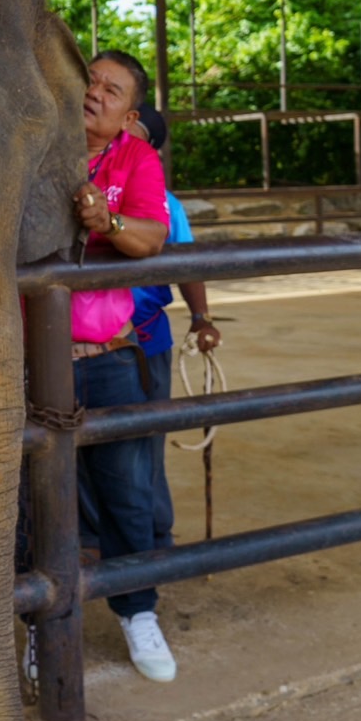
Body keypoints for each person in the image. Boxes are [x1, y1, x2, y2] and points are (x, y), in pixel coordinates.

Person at [70, 49, 177, 683]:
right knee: (31, 496)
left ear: (128, 114)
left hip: (108, 353)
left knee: (126, 492)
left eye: (110, 90)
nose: (94, 93)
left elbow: (151, 239)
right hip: (33, 355)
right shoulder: (35, 139)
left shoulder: (136, 158)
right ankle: (34, 625)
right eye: (89, 80)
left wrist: (105, 219)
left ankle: (139, 613)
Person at [126, 103, 222, 547]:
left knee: (145, 442)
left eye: (135, 129)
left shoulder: (164, 203)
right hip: (83, 342)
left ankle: (154, 534)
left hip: (144, 337)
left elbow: (187, 262)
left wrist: (201, 318)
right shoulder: (83, 188)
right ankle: (93, 541)